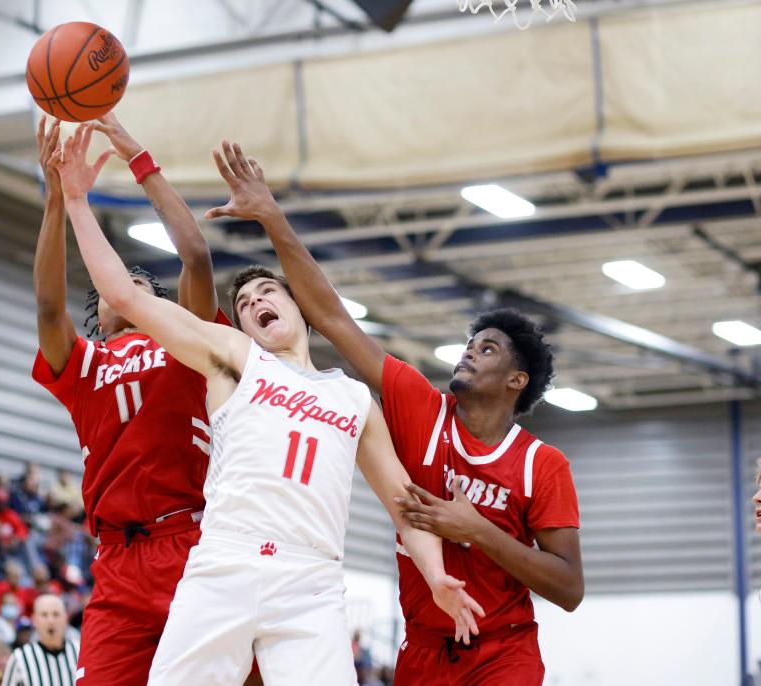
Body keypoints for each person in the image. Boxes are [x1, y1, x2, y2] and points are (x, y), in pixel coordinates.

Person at [56, 124, 482, 686]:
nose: (256, 302)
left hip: (310, 579)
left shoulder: (353, 397)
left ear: (298, 308)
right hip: (225, 562)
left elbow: (404, 500)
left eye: (268, 293)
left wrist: (434, 573)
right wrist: (77, 200)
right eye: (246, 302)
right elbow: (123, 295)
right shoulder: (235, 358)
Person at [208, 141, 584, 684]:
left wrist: (478, 530)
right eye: (470, 342)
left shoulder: (541, 465)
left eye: (487, 349)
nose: (469, 351)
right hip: (424, 647)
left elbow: (569, 588)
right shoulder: (419, 405)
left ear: (516, 381)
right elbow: (333, 317)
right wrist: (271, 215)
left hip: (503, 652)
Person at [30, 113, 228, 686]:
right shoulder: (85, 363)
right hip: (117, 560)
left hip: (189, 543)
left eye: (143, 284)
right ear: (102, 305)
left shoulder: (186, 342)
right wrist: (54, 201)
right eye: (119, 283)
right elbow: (47, 309)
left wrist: (140, 158)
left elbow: (195, 256)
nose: (131, 285)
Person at [1, 594, 79, 686]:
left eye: (56, 614)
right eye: (44, 615)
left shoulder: (80, 652)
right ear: (34, 620)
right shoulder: (20, 657)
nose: (51, 621)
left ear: (66, 618)